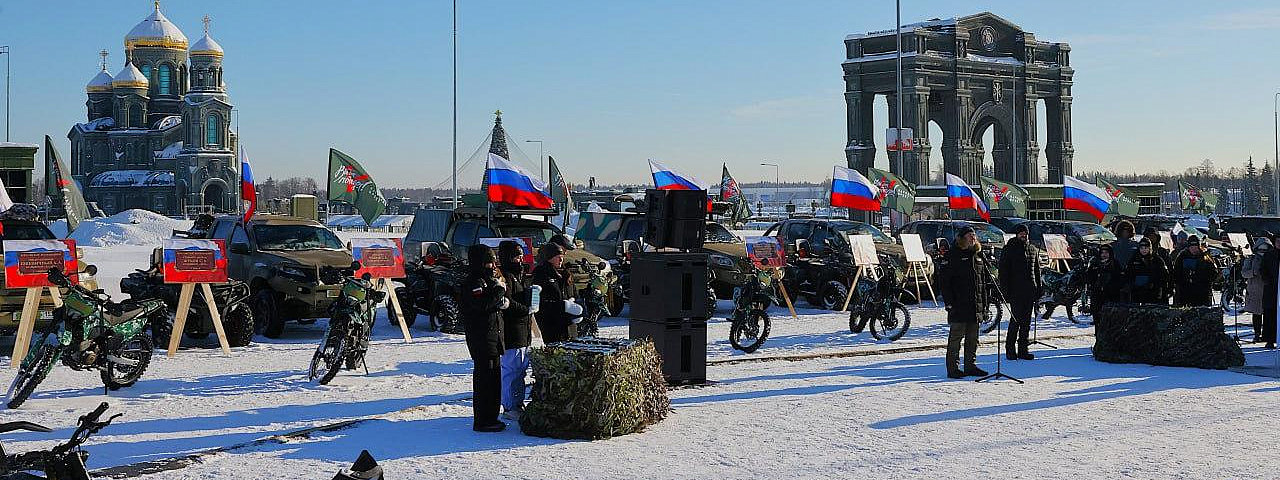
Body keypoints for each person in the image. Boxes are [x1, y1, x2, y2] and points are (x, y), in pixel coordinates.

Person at [459, 244, 508, 433]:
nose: (492, 265)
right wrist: (498, 292)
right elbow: (482, 304)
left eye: (494, 261)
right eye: (489, 262)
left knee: (494, 380)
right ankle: (483, 420)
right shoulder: (474, 281)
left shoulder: (488, 279)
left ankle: (491, 417)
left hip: (493, 336)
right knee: (484, 382)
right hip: (481, 337)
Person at [938, 227, 989, 379]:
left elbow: (983, 282)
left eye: (974, 235)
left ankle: (970, 366)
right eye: (970, 235)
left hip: (975, 305)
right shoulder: (953, 255)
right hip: (959, 305)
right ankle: (953, 368)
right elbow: (944, 283)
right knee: (956, 338)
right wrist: (949, 303)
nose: (973, 237)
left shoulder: (977, 255)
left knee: (973, 339)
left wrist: (984, 305)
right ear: (962, 238)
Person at [497, 241, 534, 420]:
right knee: (511, 369)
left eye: (521, 256)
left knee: (521, 369)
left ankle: (517, 402)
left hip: (523, 329)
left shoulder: (520, 275)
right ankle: (510, 405)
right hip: (512, 330)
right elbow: (508, 303)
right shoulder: (505, 276)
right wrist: (526, 308)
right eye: (517, 256)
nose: (520, 260)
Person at [998, 224, 1042, 360]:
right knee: (1016, 321)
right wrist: (1005, 291)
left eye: (1026, 233)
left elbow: (1037, 271)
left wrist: (1039, 288)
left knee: (1026, 323)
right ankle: (1010, 349)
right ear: (1016, 234)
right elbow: (1003, 272)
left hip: (1030, 291)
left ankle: (1023, 349)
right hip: (1015, 291)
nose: (1024, 235)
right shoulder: (1009, 249)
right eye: (1021, 233)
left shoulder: (1032, 249)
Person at [532, 243, 583, 343]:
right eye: (558, 257)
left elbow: (575, 294)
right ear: (549, 258)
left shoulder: (566, 274)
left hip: (569, 322)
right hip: (552, 324)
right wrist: (563, 306)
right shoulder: (541, 273)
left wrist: (578, 308)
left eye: (562, 257)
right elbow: (541, 303)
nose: (561, 260)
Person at [1170, 235, 1217, 307]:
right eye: (1192, 247)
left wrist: (1205, 280)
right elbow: (1176, 273)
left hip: (1202, 294)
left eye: (1196, 247)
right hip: (1185, 293)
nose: (1194, 249)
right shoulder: (1182, 256)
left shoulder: (1205, 257)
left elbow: (1214, 273)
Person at [1243, 234, 1273, 342]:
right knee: (1256, 314)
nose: (1262, 252)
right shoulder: (1251, 259)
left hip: (1268, 289)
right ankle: (1256, 333)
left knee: (1268, 315)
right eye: (1261, 249)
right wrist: (1253, 272)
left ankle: (1268, 335)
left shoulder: (1272, 259)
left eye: (1265, 250)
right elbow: (1244, 273)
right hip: (1255, 290)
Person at [1126, 237, 1169, 304]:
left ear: (1150, 248)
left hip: (1153, 292)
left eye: (1146, 248)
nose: (1144, 250)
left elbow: (1164, 276)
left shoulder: (1157, 260)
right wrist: (1132, 284)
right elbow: (1129, 274)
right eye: (1142, 248)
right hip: (1137, 292)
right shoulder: (1134, 259)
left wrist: (1158, 286)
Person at [1086, 244, 1124, 313]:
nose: (1104, 255)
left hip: (1111, 294)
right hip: (1097, 294)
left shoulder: (1115, 264)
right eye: (1102, 253)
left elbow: (1120, 278)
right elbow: (1089, 277)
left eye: (1106, 253)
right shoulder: (1095, 263)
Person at [1142, 227, 1173, 303]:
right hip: (1144, 289)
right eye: (1149, 236)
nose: (1151, 238)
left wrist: (1170, 288)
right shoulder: (1140, 253)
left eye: (1153, 236)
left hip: (1161, 288)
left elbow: (1170, 271)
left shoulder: (1162, 252)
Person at [1260, 232, 1279, 349]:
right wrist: (1267, 279)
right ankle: (1270, 340)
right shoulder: (1269, 255)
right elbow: (1263, 270)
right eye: (1278, 241)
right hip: (1271, 290)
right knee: (1270, 315)